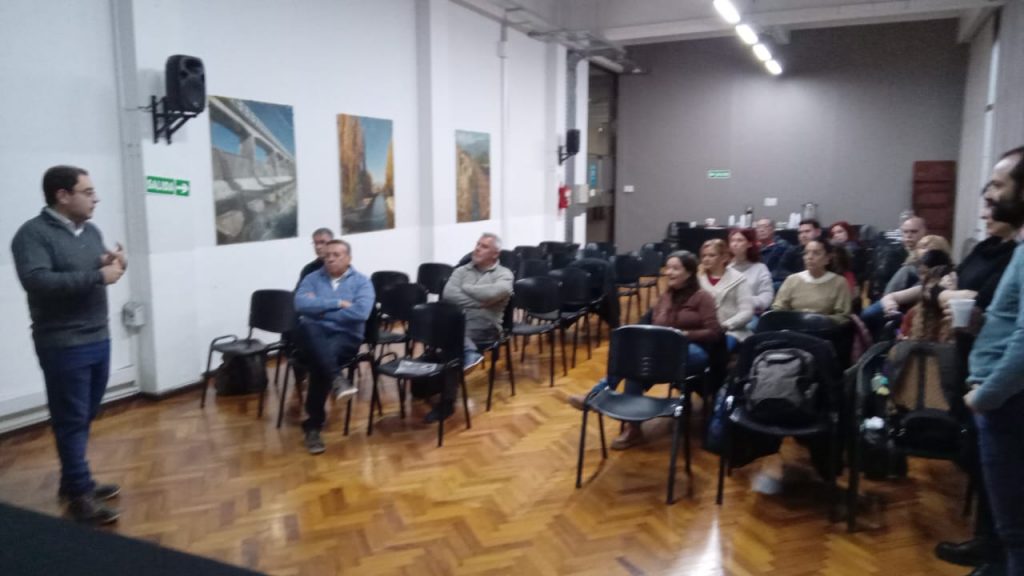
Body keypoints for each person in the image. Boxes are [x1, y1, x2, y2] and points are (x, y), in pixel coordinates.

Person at [11, 165, 126, 524]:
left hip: (98, 336)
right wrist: (97, 275)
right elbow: (38, 282)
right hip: (63, 342)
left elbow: (93, 269)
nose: (96, 198)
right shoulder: (32, 235)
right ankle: (79, 493)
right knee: (71, 418)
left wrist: (110, 262)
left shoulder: (90, 231)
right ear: (62, 195)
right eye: (87, 192)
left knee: (85, 413)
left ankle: (73, 480)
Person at [936, 147, 1024, 576]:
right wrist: (979, 322)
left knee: (1016, 531)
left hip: (1005, 403)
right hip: (999, 400)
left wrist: (985, 396)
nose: (989, 194)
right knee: (1010, 527)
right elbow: (1007, 323)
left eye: (998, 184)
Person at [567, 251, 722, 449]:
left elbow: (714, 332)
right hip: (663, 350)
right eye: (668, 267)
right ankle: (633, 429)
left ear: (689, 272)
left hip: (693, 350)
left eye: (675, 268)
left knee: (638, 361)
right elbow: (650, 323)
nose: (669, 272)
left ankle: (596, 395)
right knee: (634, 366)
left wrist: (683, 335)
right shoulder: (666, 297)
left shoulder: (703, 297)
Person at [293, 239, 375, 454]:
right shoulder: (312, 278)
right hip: (315, 334)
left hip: (346, 337)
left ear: (348, 258)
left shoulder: (362, 282)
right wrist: (337, 303)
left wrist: (319, 311)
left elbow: (360, 313)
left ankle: (313, 425)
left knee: (319, 360)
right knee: (308, 327)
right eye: (327, 255)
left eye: (336, 255)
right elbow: (300, 304)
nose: (330, 259)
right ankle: (337, 380)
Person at [441, 233, 514, 420]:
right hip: (460, 322)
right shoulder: (462, 270)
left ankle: (447, 402)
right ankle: (468, 354)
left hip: (487, 326)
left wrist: (466, 288)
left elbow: (495, 293)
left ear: (495, 254)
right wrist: (479, 303)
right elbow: (449, 294)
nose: (477, 248)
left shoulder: (504, 274)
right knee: (442, 332)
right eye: (477, 244)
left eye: (484, 246)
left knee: (451, 341)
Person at [772, 239, 852, 324]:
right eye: (806, 253)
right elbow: (778, 308)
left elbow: (843, 316)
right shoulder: (792, 280)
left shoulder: (839, 282)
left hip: (824, 329)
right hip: (793, 327)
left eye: (816, 253)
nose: (809, 257)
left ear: (827, 258)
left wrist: (818, 320)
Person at [698, 238, 753, 348]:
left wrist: (725, 325)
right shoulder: (697, 279)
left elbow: (747, 312)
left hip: (732, 331)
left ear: (724, 258)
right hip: (701, 331)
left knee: (719, 348)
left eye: (711, 255)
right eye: (704, 256)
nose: (706, 259)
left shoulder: (739, 279)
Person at [728, 228, 774, 317]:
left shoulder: (760, 268)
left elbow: (767, 296)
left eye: (739, 240)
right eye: (732, 240)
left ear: (749, 244)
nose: (735, 244)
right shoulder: (725, 268)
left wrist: (746, 301)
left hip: (749, 313)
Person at [774, 219, 823, 288]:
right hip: (797, 283)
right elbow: (780, 270)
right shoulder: (793, 250)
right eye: (800, 233)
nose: (803, 235)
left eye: (807, 231)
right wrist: (798, 278)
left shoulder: (826, 250)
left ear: (818, 232)